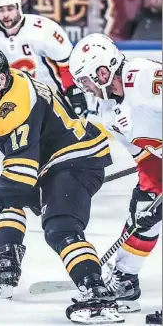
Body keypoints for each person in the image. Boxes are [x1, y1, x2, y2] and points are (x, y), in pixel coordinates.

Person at [0, 47, 123, 324]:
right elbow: (19, 176)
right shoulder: (12, 81)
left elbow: (21, 172)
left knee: (60, 227)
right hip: (53, 161)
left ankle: (97, 293)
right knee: (8, 196)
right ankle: (7, 264)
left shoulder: (14, 104)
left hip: (77, 159)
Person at [69, 33, 162, 316]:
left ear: (102, 72)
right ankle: (124, 280)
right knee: (143, 210)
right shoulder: (106, 108)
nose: (85, 88)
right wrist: (151, 192)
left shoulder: (143, 75)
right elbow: (145, 157)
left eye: (85, 80)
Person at [0, 0, 87, 117]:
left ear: (19, 7)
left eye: (10, 8)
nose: (6, 14)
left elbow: (66, 63)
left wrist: (75, 96)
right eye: (1, 10)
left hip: (50, 100)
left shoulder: (44, 29)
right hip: (15, 103)